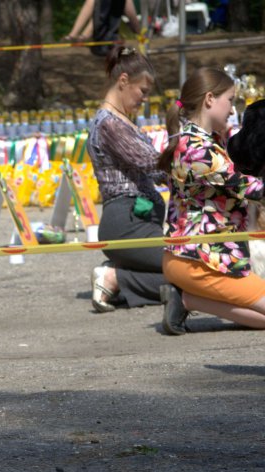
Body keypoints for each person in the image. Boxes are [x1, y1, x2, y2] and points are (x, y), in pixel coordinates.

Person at [157, 67, 265, 335]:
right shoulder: (198, 151)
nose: (232, 109)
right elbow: (249, 187)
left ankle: (187, 299)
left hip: (205, 258)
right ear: (209, 99)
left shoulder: (202, 141)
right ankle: (186, 296)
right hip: (201, 261)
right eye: (230, 100)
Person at [87, 46, 169, 313]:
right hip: (127, 222)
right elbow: (153, 164)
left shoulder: (121, 120)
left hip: (137, 220)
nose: (145, 98)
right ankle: (116, 278)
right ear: (123, 81)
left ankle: (121, 277)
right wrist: (196, 167)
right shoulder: (109, 123)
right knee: (191, 272)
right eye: (142, 91)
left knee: (191, 270)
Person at [63, 0, 140, 52]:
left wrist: (138, 31)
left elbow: (131, 13)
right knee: (98, 7)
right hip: (116, 18)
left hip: (132, 29)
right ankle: (77, 36)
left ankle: (78, 36)